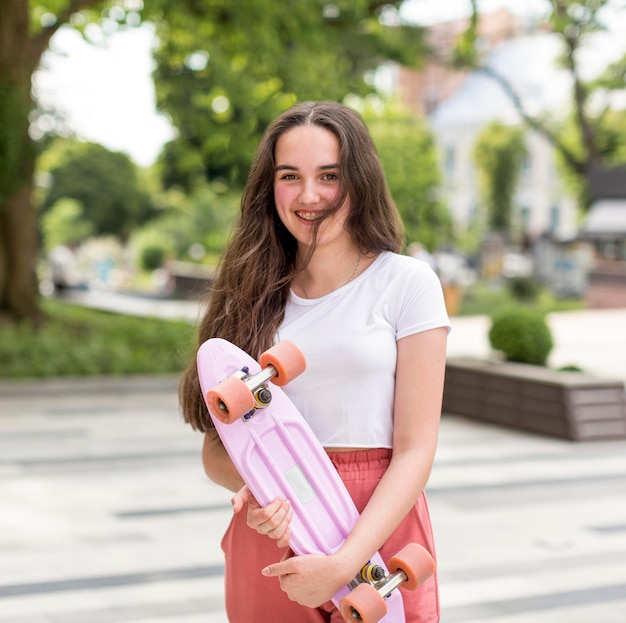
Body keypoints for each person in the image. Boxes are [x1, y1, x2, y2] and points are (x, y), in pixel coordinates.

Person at [179, 100, 450, 622]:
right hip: (273, 537)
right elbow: (217, 452)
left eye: (329, 176)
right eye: (290, 176)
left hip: (377, 528)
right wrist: (256, 494)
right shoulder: (250, 293)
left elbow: (416, 450)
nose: (309, 196)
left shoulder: (406, 284)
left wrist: (345, 561)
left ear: (360, 180)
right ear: (269, 186)